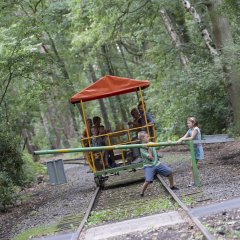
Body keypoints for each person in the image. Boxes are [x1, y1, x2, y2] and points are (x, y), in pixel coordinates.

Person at [138, 131, 178, 197]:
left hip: (157, 163)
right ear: (143, 139)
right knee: (148, 180)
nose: (149, 137)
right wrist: (149, 148)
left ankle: (172, 186)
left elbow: (160, 146)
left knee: (169, 172)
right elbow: (150, 157)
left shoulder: (151, 143)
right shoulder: (141, 148)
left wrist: (167, 143)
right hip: (148, 166)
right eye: (147, 137)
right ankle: (141, 192)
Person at [176, 117, 204, 187]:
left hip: (198, 150)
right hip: (193, 150)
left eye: (188, 123)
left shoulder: (196, 129)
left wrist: (182, 140)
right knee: (192, 166)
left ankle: (195, 181)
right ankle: (195, 181)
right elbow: (184, 136)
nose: (187, 124)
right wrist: (179, 140)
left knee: (193, 166)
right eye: (187, 123)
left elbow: (191, 138)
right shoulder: (189, 130)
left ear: (193, 123)